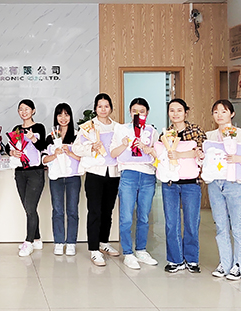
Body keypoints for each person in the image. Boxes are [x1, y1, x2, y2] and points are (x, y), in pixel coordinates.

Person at [206, 99, 241, 280]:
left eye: (224, 111)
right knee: (221, 227)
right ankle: (225, 263)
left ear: (232, 114)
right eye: (216, 112)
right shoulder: (210, 136)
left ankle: (240, 266)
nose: (219, 115)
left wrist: (240, 159)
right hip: (215, 184)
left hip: (235, 184)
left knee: (238, 228)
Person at [72, 93, 121, 267]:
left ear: (111, 108)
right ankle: (93, 249)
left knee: (108, 210)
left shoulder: (117, 127)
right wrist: (91, 147)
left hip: (113, 173)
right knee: (94, 211)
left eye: (106, 106)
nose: (103, 109)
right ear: (95, 109)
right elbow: (76, 148)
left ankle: (103, 242)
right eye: (100, 106)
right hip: (94, 173)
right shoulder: (88, 127)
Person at [110, 97, 159, 270]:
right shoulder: (121, 129)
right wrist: (124, 145)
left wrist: (148, 149)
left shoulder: (152, 131)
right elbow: (113, 153)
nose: (138, 114)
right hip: (128, 174)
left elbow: (158, 155)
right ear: (130, 112)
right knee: (126, 217)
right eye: (134, 111)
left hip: (147, 175)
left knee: (144, 216)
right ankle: (128, 253)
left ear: (147, 113)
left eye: (142, 111)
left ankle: (141, 250)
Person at [161, 98, 206, 274]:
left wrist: (179, 154)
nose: (175, 114)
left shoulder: (195, 130)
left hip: (191, 184)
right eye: (172, 110)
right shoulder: (165, 134)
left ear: (186, 112)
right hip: (170, 184)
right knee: (171, 223)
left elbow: (201, 152)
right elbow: (162, 156)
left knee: (191, 223)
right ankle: (175, 260)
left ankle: (192, 259)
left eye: (179, 110)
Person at [42, 103, 82, 256]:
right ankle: (59, 242)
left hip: (73, 177)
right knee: (58, 210)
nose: (63, 118)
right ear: (56, 117)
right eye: (60, 115)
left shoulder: (78, 135)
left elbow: (84, 158)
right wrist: (55, 154)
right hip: (56, 178)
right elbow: (44, 159)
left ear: (70, 117)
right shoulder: (50, 137)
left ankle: (71, 242)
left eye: (66, 114)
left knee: (72, 210)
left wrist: (70, 153)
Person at [10, 99, 48, 257]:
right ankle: (37, 239)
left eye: (27, 109)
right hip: (20, 172)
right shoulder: (17, 129)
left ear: (33, 111)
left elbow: (43, 147)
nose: (24, 112)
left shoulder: (39, 127)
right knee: (28, 208)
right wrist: (12, 152)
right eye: (21, 109)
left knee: (30, 208)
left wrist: (33, 139)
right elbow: (10, 146)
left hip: (35, 172)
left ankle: (29, 241)